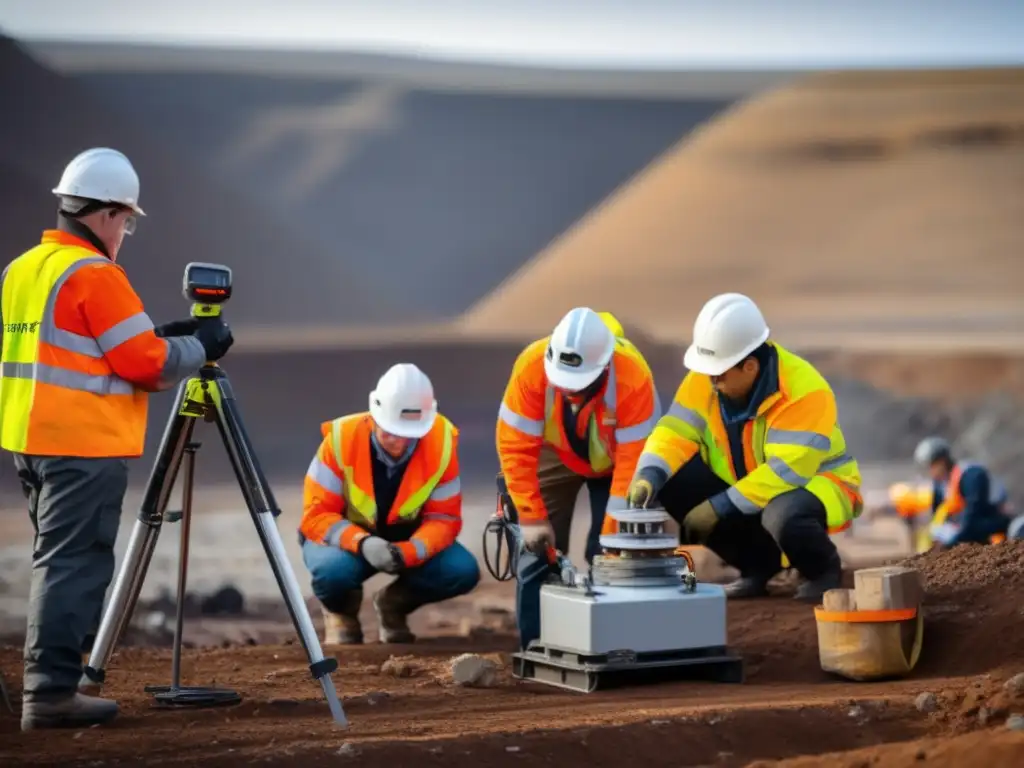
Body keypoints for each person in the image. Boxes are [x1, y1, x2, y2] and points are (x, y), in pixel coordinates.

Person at [1, 147, 234, 731]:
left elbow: (81, 346)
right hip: (82, 445)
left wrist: (162, 335)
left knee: (55, 560)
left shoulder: (23, 269)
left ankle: (43, 686)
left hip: (30, 438)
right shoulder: (96, 274)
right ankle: (50, 695)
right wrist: (202, 346)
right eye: (126, 221)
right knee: (73, 566)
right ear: (106, 215)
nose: (125, 232)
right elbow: (148, 365)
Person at [627, 293, 862, 602]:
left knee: (783, 514)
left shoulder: (804, 390)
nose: (710, 382)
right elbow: (675, 431)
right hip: (751, 489)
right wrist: (650, 473)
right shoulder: (707, 379)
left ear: (749, 367)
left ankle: (822, 570)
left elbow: (786, 473)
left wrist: (719, 506)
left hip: (818, 485)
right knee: (673, 480)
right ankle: (758, 568)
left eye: (719, 375)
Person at [496, 307, 660, 648]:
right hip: (555, 452)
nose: (569, 392)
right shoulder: (531, 367)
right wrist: (530, 516)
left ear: (604, 366)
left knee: (612, 551)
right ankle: (538, 644)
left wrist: (614, 542)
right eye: (562, 383)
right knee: (537, 552)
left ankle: (615, 642)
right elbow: (515, 447)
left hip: (617, 464)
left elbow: (632, 467)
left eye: (579, 385)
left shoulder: (633, 377)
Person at [299, 363, 480, 645]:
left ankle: (392, 605)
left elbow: (444, 520)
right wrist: (362, 542)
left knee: (461, 571)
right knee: (331, 572)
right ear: (374, 416)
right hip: (347, 541)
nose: (397, 441)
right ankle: (341, 614)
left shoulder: (441, 443)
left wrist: (408, 552)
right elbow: (317, 516)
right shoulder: (340, 439)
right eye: (389, 431)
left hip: (405, 539)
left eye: (407, 433)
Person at [912, 436, 1014, 548]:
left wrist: (952, 543)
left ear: (942, 461)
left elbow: (973, 515)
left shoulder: (971, 475)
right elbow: (939, 516)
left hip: (991, 528)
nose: (929, 472)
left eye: (931, 466)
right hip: (964, 531)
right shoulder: (941, 485)